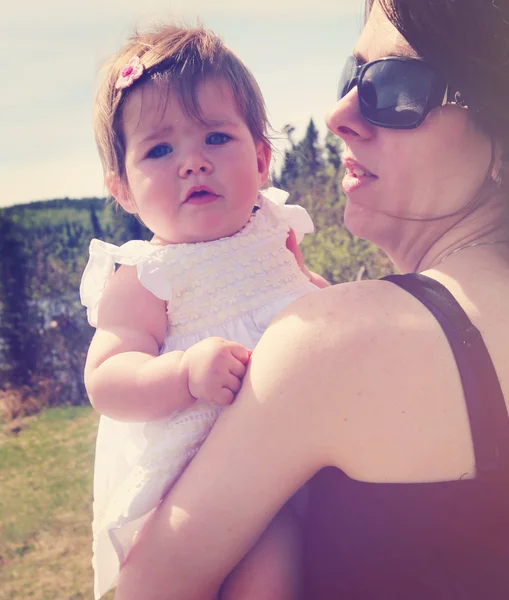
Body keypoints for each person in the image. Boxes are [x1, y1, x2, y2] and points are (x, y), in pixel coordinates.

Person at [114, 1, 509, 599]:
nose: (338, 113)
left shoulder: (333, 342)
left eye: (391, 88)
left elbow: (150, 587)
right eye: (352, 76)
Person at [79, 24, 326, 599]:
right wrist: (184, 372)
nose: (192, 162)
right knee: (267, 558)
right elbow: (107, 379)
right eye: (160, 149)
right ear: (124, 191)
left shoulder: (275, 231)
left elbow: (304, 288)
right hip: (203, 475)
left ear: (262, 158)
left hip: (300, 439)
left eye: (215, 138)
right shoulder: (146, 275)